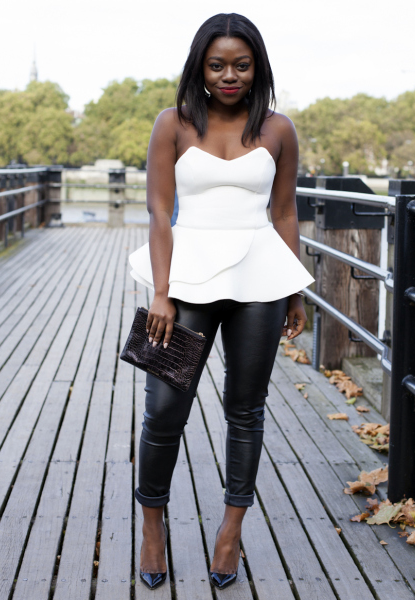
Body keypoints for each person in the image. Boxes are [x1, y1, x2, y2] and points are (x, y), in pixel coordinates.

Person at [128, 12, 315, 591]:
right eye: (217, 65)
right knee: (163, 410)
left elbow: (284, 212)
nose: (229, 75)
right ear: (200, 68)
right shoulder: (175, 123)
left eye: (241, 64)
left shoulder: (278, 128)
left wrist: (294, 289)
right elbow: (161, 211)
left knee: (245, 410)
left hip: (259, 284)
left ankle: (230, 530)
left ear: (256, 67)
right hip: (184, 284)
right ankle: (152, 524)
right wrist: (161, 292)